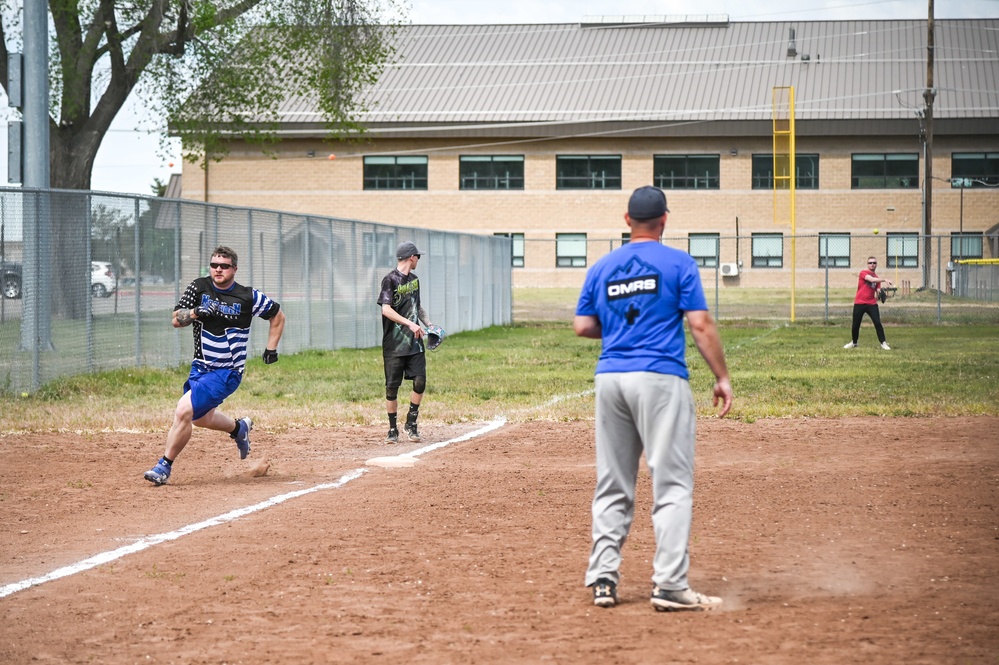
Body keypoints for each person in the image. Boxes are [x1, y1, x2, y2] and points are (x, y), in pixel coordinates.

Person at [574, 186, 733, 612]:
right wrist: (721, 376)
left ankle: (603, 580)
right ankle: (670, 585)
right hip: (661, 378)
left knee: (613, 481)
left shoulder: (603, 265)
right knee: (672, 484)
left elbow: (582, 325)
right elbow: (699, 324)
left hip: (610, 380)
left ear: (627, 220)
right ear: (664, 220)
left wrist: (623, 330)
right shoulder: (679, 262)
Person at [143, 246, 286, 485]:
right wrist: (197, 312)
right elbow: (176, 320)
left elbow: (277, 315)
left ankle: (163, 467)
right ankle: (238, 429)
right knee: (200, 418)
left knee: (183, 411)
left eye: (224, 266)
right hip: (200, 367)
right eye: (214, 265)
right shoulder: (199, 287)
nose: (218, 269)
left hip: (227, 372)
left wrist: (271, 348)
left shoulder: (247, 296)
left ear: (234, 269)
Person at [377, 241, 437, 444]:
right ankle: (392, 429)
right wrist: (409, 324)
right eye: (417, 256)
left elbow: (417, 307)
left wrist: (428, 325)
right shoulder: (390, 280)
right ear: (411, 257)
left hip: (415, 343)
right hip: (394, 344)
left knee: (420, 381)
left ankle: (411, 423)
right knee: (392, 388)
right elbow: (386, 309)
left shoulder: (415, 280)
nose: (418, 259)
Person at [844, 256, 893, 350]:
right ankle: (854, 342)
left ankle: (883, 343)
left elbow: (877, 289)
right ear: (867, 265)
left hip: (871, 303)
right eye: (870, 263)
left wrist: (882, 294)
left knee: (877, 323)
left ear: (876, 265)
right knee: (855, 325)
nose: (872, 264)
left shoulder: (877, 278)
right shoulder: (863, 273)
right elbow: (871, 280)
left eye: (874, 263)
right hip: (859, 302)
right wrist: (885, 279)